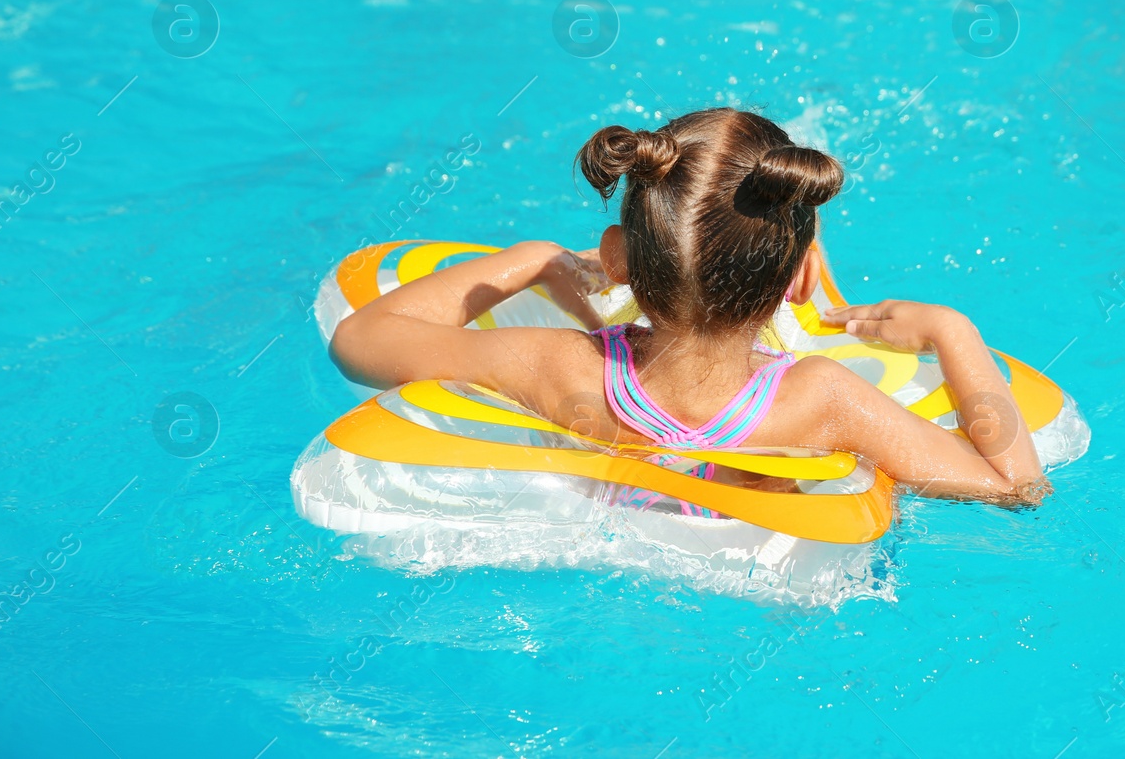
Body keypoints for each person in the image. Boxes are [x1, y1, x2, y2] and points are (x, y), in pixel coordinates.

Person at [329, 107, 1048, 505]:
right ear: (800, 279)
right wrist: (956, 333)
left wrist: (536, 258)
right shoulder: (822, 399)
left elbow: (361, 340)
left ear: (617, 258)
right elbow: (1016, 485)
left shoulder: (558, 367)